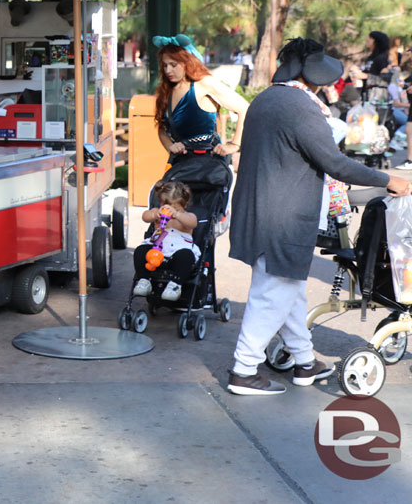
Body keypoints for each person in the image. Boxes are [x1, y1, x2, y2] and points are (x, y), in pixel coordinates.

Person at [226, 37, 410, 396]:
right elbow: (335, 162)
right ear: (310, 73)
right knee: (273, 292)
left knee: (288, 289)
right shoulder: (299, 107)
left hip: (258, 208)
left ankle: (304, 361)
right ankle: (244, 369)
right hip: (282, 214)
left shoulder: (266, 98)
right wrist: (388, 179)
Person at [152, 34, 249, 158]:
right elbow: (162, 129)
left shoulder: (204, 83)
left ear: (187, 62)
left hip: (208, 166)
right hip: (181, 166)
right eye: (165, 65)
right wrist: (171, 147)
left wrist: (234, 145)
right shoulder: (167, 91)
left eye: (173, 65)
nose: (168, 70)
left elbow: (244, 108)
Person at [132, 181, 199, 302]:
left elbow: (193, 223)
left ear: (185, 205)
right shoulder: (157, 212)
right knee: (140, 251)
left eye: (176, 208)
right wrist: (154, 214)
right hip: (156, 250)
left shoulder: (187, 216)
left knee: (186, 257)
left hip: (177, 252)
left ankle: (175, 285)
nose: (170, 210)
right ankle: (144, 281)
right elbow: (145, 217)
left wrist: (178, 215)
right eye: (166, 206)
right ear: (161, 203)